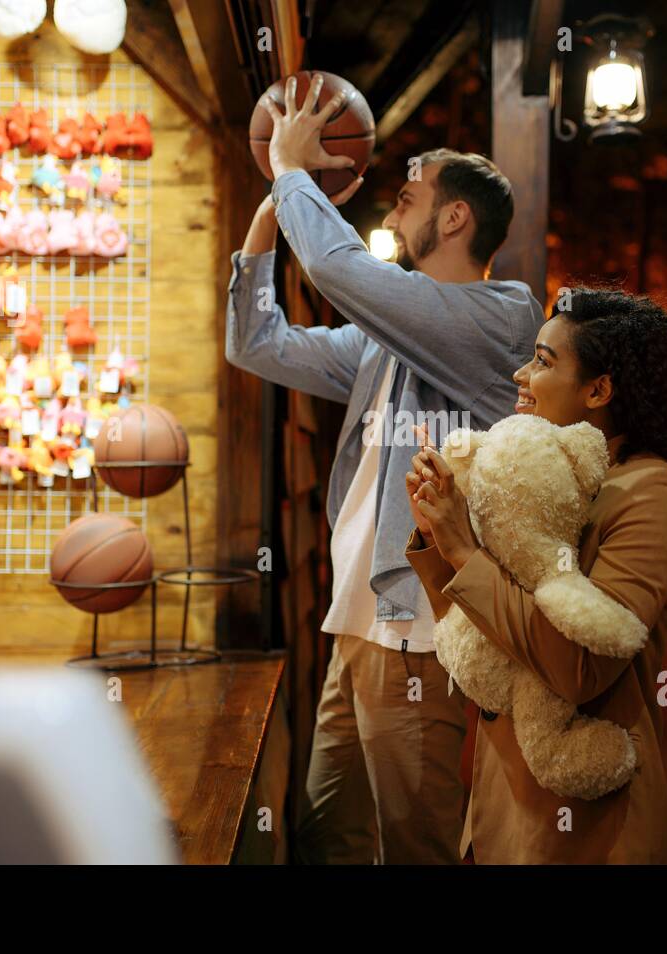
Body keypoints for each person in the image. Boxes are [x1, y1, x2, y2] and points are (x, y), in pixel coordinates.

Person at [226, 74, 544, 863]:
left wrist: (296, 174)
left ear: (456, 215)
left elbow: (343, 274)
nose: (394, 200)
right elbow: (256, 344)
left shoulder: (503, 317)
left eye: (413, 190)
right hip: (357, 624)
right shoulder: (382, 339)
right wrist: (272, 212)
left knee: (417, 845)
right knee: (330, 831)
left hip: (420, 636)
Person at [405, 288, 667, 863]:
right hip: (499, 807)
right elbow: (482, 635)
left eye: (543, 361)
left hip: (582, 831)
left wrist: (462, 551)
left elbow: (580, 669)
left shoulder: (651, 492)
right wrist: (439, 535)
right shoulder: (537, 483)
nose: (521, 373)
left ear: (599, 390)